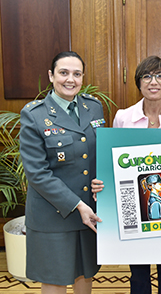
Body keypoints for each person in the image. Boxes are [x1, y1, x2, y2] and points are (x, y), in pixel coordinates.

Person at [92, 55, 161, 294]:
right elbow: (113, 160)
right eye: (147, 76)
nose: (153, 82)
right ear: (139, 83)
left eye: (160, 76)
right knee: (138, 270)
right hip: (134, 205)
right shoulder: (123, 117)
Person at [20, 51, 104, 293]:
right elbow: (37, 173)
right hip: (53, 214)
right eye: (63, 73)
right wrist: (77, 204)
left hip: (88, 211)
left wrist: (102, 181)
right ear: (51, 75)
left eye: (76, 74)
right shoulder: (34, 115)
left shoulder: (93, 108)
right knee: (55, 279)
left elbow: (99, 153)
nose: (71, 79)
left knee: (85, 274)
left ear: (82, 77)